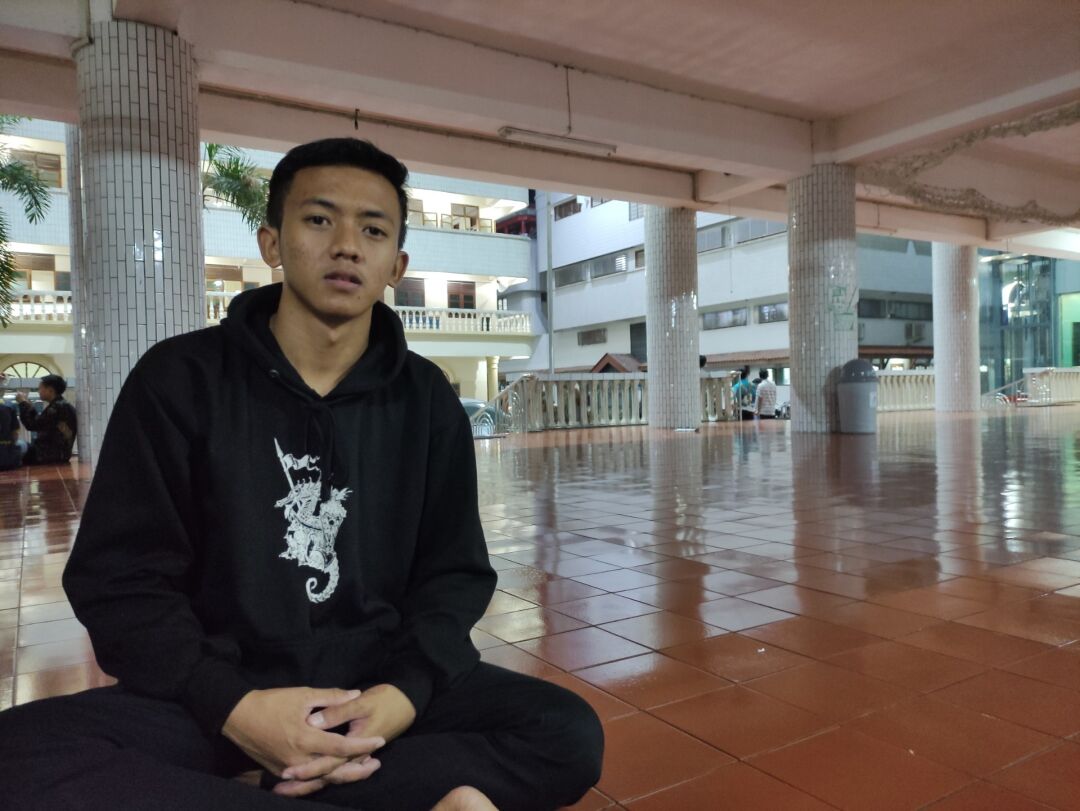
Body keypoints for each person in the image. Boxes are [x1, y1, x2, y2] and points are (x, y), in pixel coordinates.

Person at [0, 138, 602, 811]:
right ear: (272, 242)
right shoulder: (180, 380)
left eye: (373, 230)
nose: (347, 246)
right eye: (319, 220)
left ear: (396, 264)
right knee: (16, 757)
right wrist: (234, 708)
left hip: (371, 694)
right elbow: (120, 580)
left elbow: (453, 574)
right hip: (218, 700)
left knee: (566, 733)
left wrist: (402, 696)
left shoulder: (427, 400)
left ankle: (268, 789)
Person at [15, 373, 77, 464]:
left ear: (50, 390)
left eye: (40, 388)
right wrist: (28, 406)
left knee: (14, 445)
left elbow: (32, 425)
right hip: (57, 454)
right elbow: (39, 422)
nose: (38, 391)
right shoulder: (61, 405)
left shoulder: (57, 407)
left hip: (46, 454)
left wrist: (22, 403)